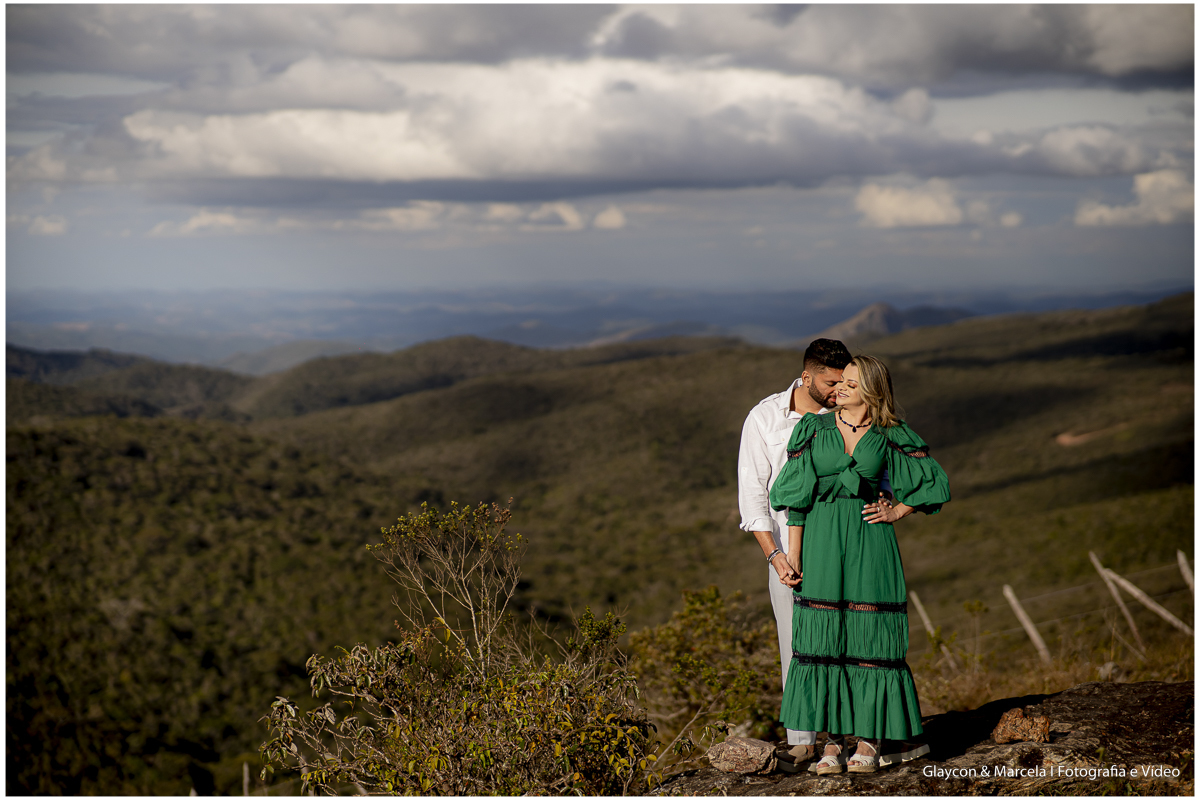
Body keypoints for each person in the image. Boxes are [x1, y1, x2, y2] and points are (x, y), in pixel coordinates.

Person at [769, 354, 949, 775]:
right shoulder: (814, 429)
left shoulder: (891, 433)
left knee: (870, 638)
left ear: (870, 389)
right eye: (840, 382)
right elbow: (797, 499)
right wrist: (793, 553)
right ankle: (833, 741)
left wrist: (897, 510)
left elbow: (933, 482)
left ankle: (869, 738)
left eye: (850, 383)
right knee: (824, 638)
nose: (840, 388)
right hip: (821, 540)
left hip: (871, 542)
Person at [736, 338, 852, 772]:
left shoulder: (849, 412)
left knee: (846, 642)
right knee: (796, 646)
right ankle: (801, 741)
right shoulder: (764, 417)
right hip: (787, 554)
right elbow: (753, 495)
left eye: (844, 382)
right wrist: (775, 556)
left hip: (842, 548)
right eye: (831, 383)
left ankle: (842, 738)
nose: (839, 390)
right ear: (806, 377)